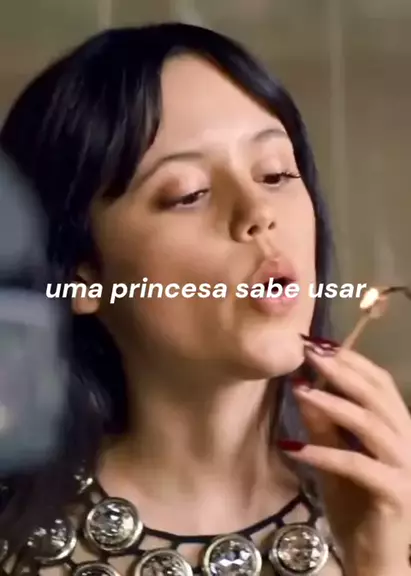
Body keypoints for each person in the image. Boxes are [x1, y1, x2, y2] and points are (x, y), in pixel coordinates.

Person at [0, 22, 410, 576]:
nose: (258, 213)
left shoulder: (393, 509)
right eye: (189, 194)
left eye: (276, 174)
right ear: (83, 274)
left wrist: (378, 560)